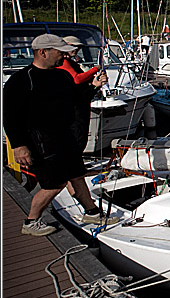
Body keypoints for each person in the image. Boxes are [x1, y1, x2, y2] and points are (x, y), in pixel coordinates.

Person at [3, 34, 108, 236]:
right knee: (55, 183)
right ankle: (31, 221)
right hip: (40, 140)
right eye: (59, 52)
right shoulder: (22, 80)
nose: (64, 56)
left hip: (64, 135)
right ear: (43, 52)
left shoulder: (61, 76)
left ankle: (92, 212)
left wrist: (94, 87)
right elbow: (9, 116)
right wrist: (18, 145)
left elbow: (78, 100)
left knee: (77, 175)